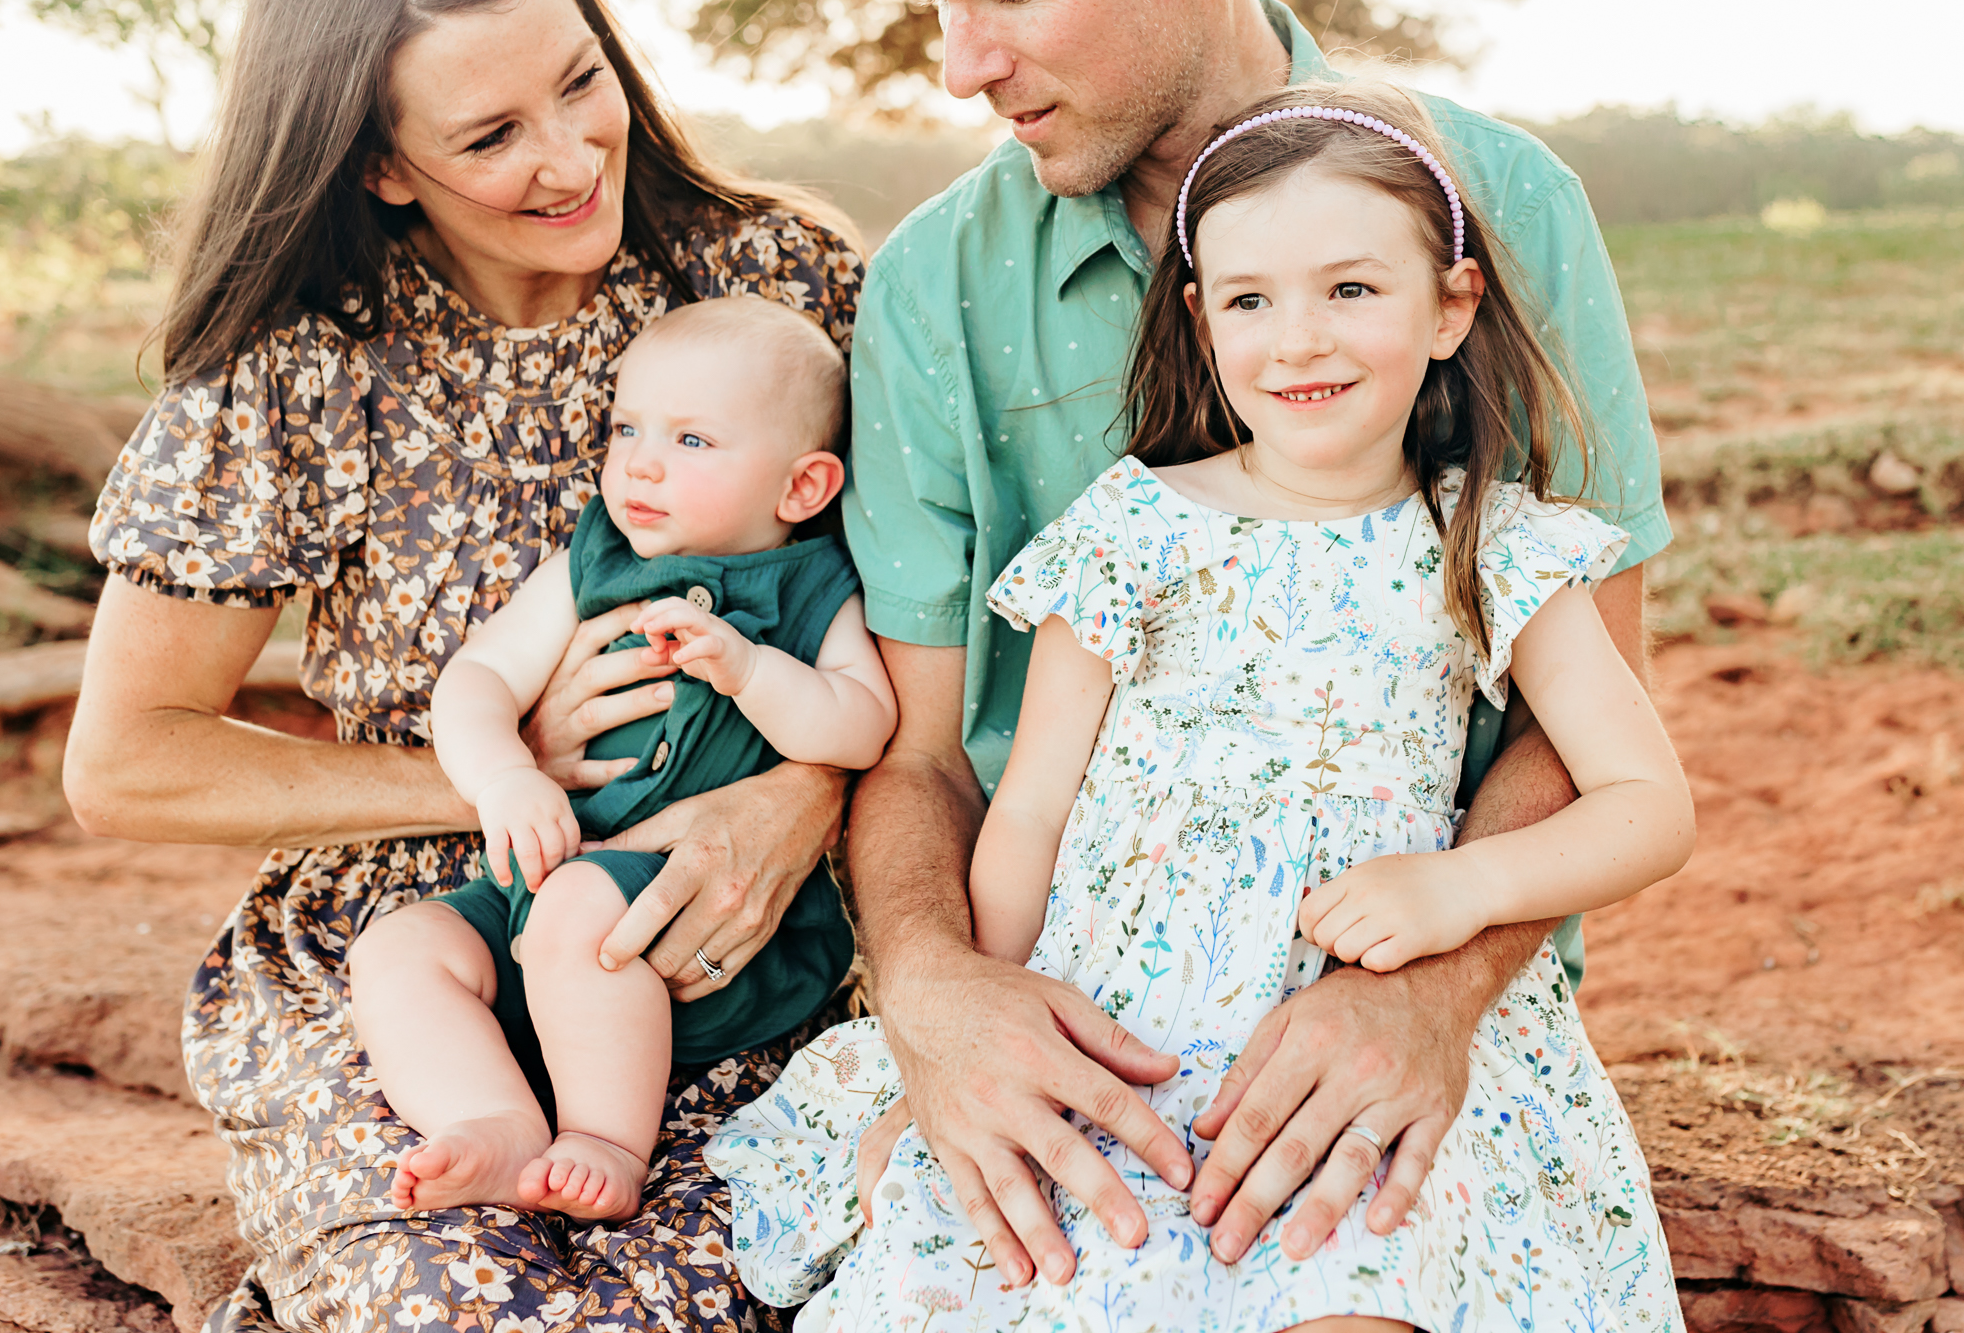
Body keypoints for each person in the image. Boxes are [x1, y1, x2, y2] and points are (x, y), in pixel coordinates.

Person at [824, 0, 1675, 1304]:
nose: (958, 63)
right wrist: (941, 1009)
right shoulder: (934, 283)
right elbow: (924, 752)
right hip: (1089, 1009)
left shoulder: (1506, 198)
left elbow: (1590, 717)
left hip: (1423, 1010)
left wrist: (1426, 994)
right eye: (934, 2)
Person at [712, 83, 1691, 1330]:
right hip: (1122, 1023)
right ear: (1199, 317)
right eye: (1248, 300)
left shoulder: (1495, 543)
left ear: (1450, 307)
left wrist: (1458, 888)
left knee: (1360, 1268)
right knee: (1013, 1275)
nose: (1296, 340)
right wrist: (974, 1021)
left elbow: (1646, 806)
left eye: (1350, 289)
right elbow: (1027, 816)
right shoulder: (1132, 529)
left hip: (1338, 1018)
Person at [64, 0, 864, 1333]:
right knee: (464, 1295)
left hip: (749, 915)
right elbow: (125, 760)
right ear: (378, 163)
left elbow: (924, 620)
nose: (572, 156)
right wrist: (492, 779)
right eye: (493, 133)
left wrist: (799, 797)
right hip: (433, 932)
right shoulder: (298, 372)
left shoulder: (778, 281)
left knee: (756, 1290)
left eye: (582, 83)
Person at [349, 298, 896, 1223]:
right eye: (628, 427)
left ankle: (605, 1139)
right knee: (398, 950)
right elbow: (477, 676)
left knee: (576, 906)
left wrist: (752, 669)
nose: (640, 461)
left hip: (702, 927)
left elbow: (863, 726)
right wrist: (506, 775)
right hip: (544, 887)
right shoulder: (593, 562)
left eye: (692, 440)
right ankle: (496, 1118)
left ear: (801, 488)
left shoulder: (813, 587)